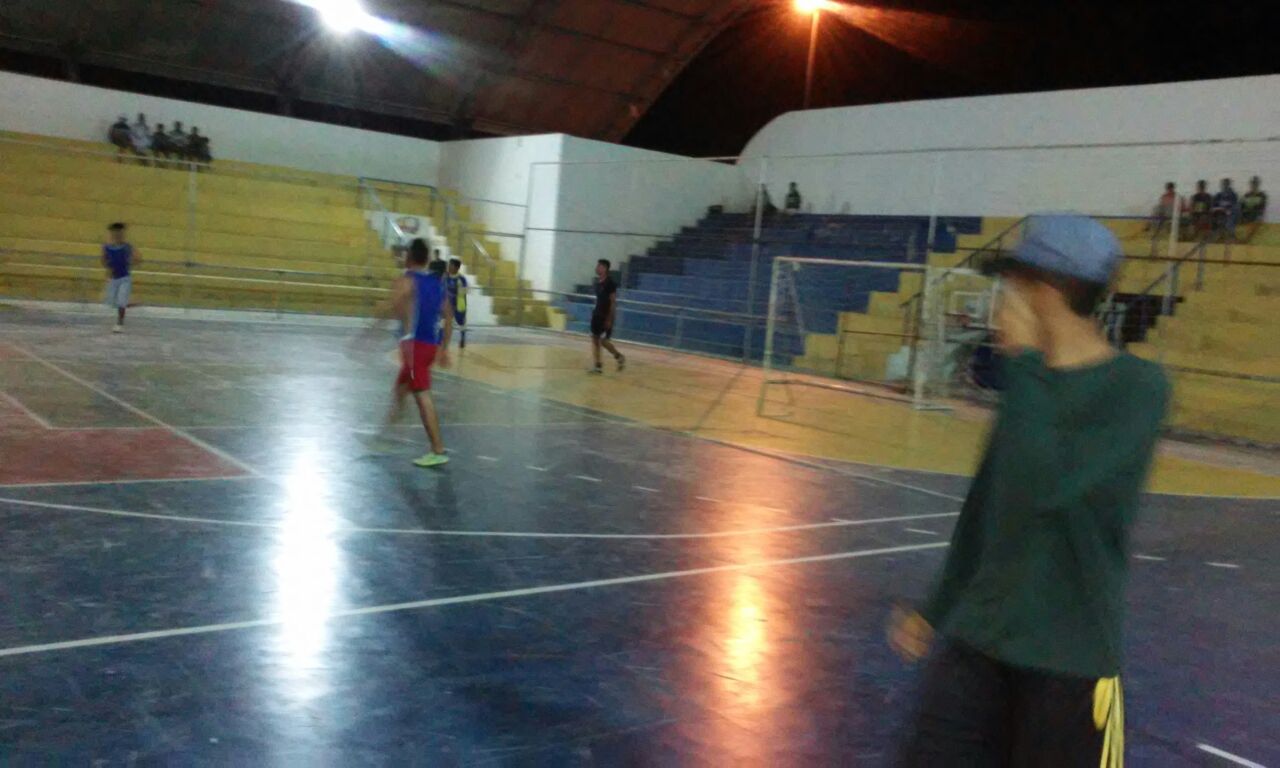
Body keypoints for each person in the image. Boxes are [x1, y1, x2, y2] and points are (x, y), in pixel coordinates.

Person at [889, 213, 1169, 767]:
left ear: (1043, 291)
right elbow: (987, 506)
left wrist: (1024, 364)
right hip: (978, 643)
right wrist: (937, 608)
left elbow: (1048, 487)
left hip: (1070, 664)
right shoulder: (1029, 389)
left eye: (1012, 282)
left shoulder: (1136, 389)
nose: (1000, 298)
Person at [383, 239, 452, 468]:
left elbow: (393, 309)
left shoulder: (407, 281)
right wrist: (444, 348)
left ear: (409, 256)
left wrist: (367, 335)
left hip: (416, 348)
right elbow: (449, 315)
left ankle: (438, 449)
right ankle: (387, 435)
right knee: (401, 389)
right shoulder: (436, 284)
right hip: (429, 346)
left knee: (422, 396)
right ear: (428, 259)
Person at [102, 223, 139, 333]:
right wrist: (108, 267)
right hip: (113, 278)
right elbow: (103, 260)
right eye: (115, 232)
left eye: (120, 233)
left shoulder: (127, 246)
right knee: (111, 302)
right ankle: (128, 304)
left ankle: (120, 323)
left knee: (121, 301)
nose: (117, 235)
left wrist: (131, 262)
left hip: (124, 278)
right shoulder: (107, 247)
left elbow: (137, 258)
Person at [589, 259, 624, 374]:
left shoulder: (610, 283)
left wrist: (610, 319)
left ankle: (618, 356)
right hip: (597, 315)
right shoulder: (598, 283)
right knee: (595, 339)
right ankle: (598, 366)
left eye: (599, 266)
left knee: (603, 341)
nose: (597, 268)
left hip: (605, 316)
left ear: (604, 268)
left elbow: (613, 302)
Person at [446, 258, 468, 350]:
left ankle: (462, 338)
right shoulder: (446, 276)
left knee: (461, 322)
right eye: (448, 265)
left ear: (456, 268)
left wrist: (455, 294)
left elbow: (463, 294)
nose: (448, 267)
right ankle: (443, 342)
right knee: (444, 323)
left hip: (459, 305)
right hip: (448, 305)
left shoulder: (461, 279)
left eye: (450, 265)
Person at [1239, 176, 1268, 243]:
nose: (1254, 185)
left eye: (1255, 184)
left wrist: (1259, 216)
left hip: (1255, 216)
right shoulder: (1246, 195)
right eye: (1253, 183)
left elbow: (1262, 208)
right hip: (1246, 215)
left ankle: (1246, 240)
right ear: (1250, 184)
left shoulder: (1262, 195)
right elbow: (1241, 207)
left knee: (1257, 222)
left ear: (1258, 185)